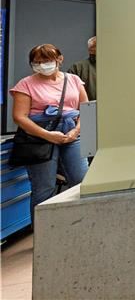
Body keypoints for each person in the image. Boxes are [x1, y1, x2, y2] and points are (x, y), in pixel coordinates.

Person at [10, 44, 89, 218]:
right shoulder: (25, 84)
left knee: (82, 182)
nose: (41, 65)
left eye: (46, 61)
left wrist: (76, 131)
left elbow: (86, 108)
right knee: (44, 187)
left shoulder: (74, 80)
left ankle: (81, 226)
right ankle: (42, 236)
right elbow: (19, 117)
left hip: (72, 134)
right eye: (36, 62)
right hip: (39, 136)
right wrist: (47, 135)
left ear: (59, 59)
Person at [67, 36, 97, 100]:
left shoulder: (117, 66)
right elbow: (69, 94)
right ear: (90, 50)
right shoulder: (77, 68)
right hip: (88, 108)